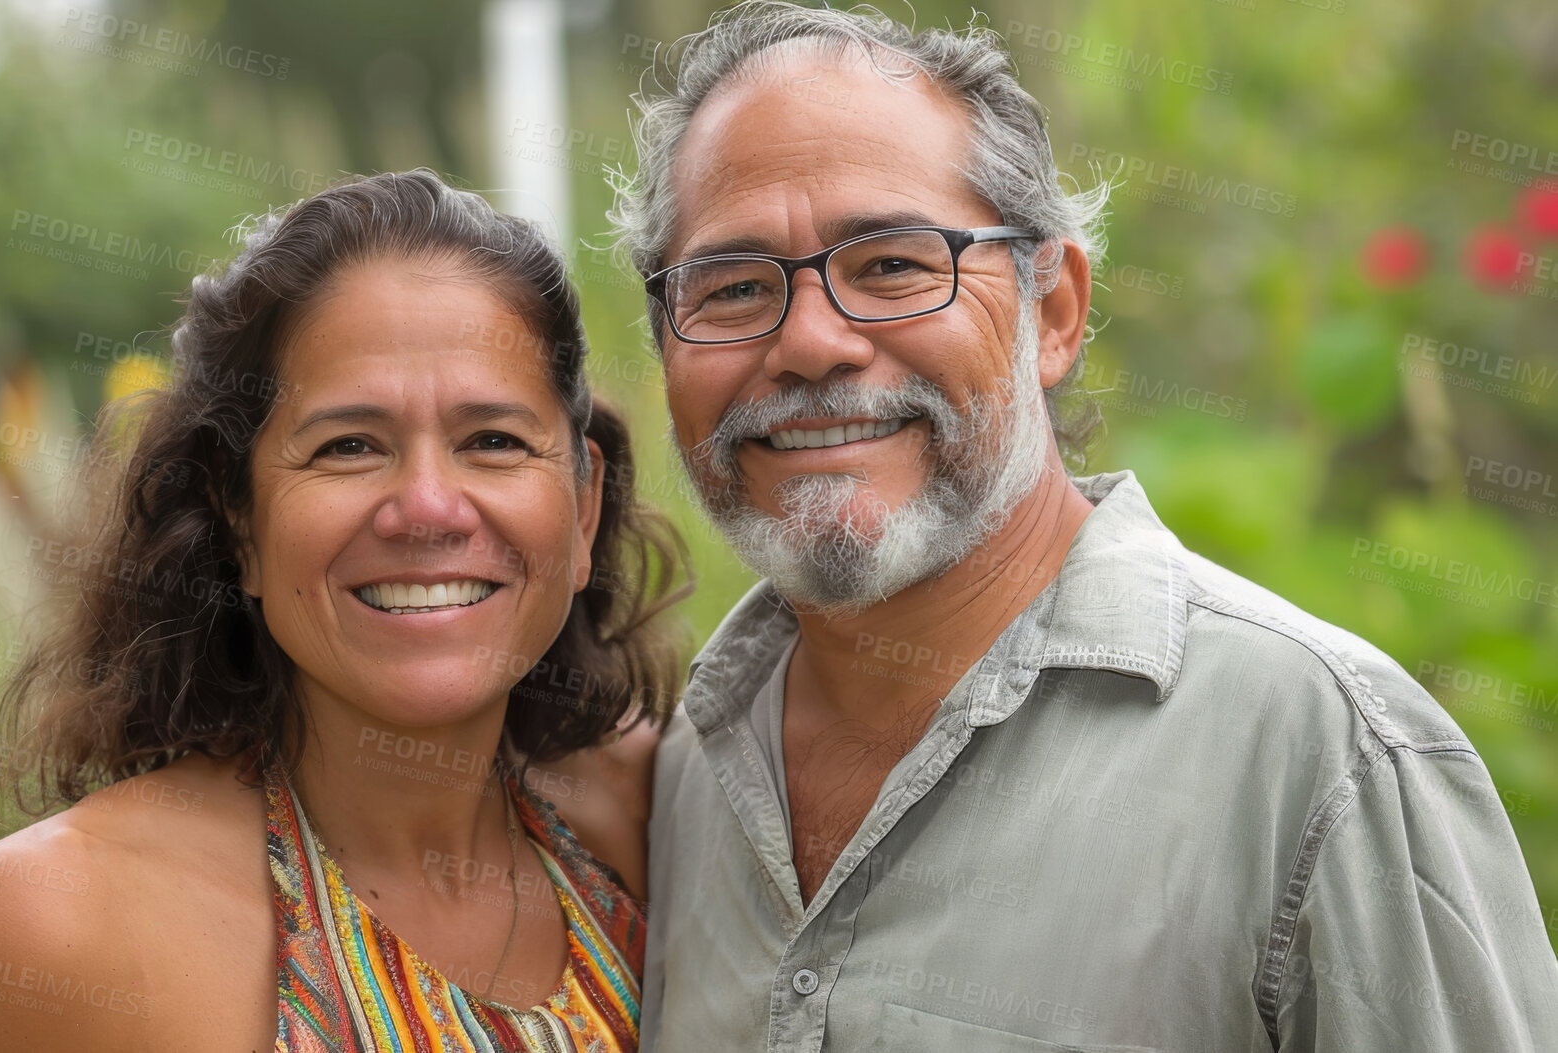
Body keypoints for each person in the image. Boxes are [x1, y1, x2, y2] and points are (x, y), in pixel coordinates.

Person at [611, 3, 1558, 1050]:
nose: (813, 342)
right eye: (734, 288)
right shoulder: (688, 780)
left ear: (1053, 311)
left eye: (893, 265)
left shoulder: (1322, 760)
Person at [0, 169, 687, 1052]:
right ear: (237, 518)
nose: (428, 506)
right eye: (348, 446)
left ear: (581, 510)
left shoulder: (653, 828)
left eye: (493, 441)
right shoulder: (62, 925)